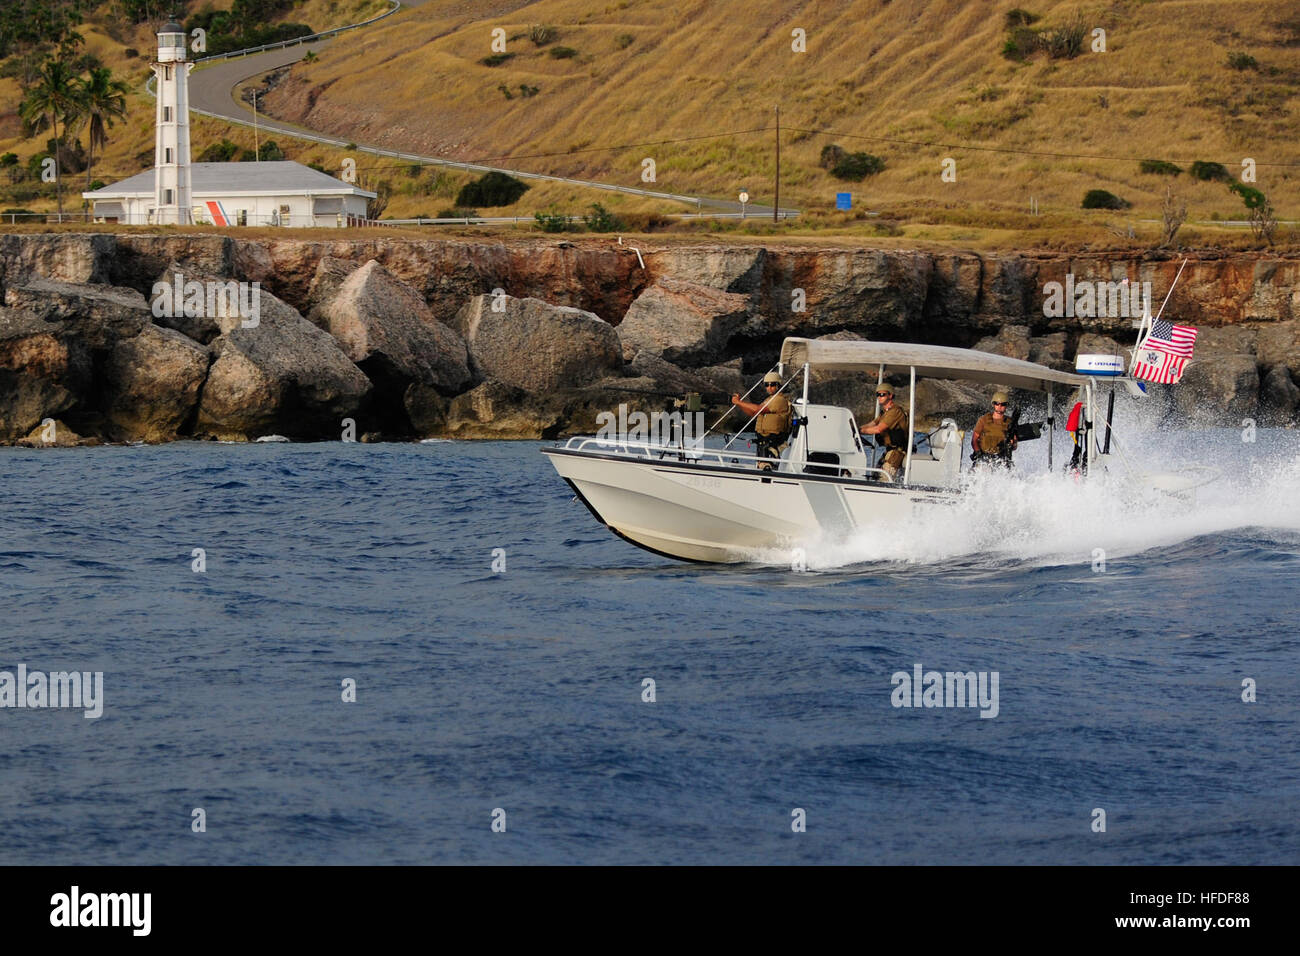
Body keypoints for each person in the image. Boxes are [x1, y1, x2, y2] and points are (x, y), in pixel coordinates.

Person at [731, 372, 791, 468]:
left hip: (773, 441)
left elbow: (759, 409)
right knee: (761, 464)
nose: (769, 387)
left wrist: (739, 402)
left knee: (766, 466)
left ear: (778, 385)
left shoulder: (779, 400)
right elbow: (754, 413)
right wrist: (739, 404)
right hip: (764, 441)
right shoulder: (769, 399)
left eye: (772, 384)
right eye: (767, 385)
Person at [859, 382, 909, 482]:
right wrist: (856, 428)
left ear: (890, 395)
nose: (879, 397)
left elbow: (878, 429)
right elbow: (872, 424)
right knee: (875, 475)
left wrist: (861, 431)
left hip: (897, 452)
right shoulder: (884, 412)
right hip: (889, 451)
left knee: (885, 479)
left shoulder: (895, 412)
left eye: (882, 394)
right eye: (878, 394)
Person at [970, 390, 1017, 468]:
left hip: (1001, 460)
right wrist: (978, 454)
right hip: (983, 458)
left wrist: (1012, 444)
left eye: (1003, 404)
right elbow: (974, 440)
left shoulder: (1010, 423)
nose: (999, 406)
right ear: (993, 404)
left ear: (1006, 405)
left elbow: (1014, 445)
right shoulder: (984, 420)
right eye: (997, 404)